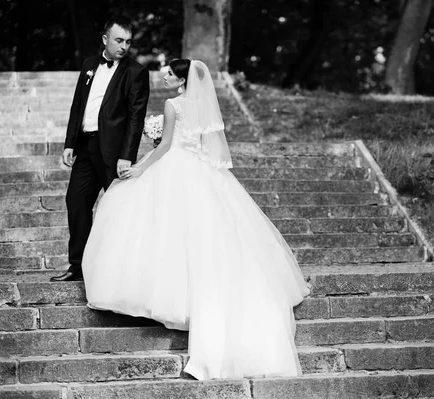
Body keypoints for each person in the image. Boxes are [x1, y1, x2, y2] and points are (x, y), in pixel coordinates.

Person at [81, 59, 309, 380]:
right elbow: (203, 144)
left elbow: (167, 147)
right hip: (200, 169)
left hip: (174, 165)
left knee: (160, 225)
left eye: (171, 74)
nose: (165, 77)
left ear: (183, 79)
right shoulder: (202, 107)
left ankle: (171, 299)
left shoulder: (173, 104)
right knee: (205, 234)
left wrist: (140, 168)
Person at [51, 17, 150, 282]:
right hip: (85, 147)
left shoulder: (136, 72)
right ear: (105, 39)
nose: (124, 46)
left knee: (120, 210)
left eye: (128, 41)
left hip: (113, 153)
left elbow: (135, 118)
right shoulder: (88, 66)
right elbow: (77, 106)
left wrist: (126, 156)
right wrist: (70, 143)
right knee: (76, 202)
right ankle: (78, 266)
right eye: (119, 40)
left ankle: (124, 268)